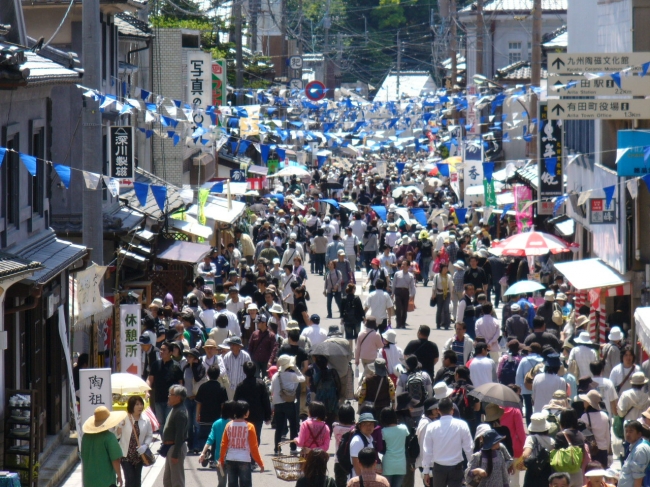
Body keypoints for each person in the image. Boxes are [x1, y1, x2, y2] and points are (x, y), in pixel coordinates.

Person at [422, 397, 474, 487]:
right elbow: (468, 448)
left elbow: (427, 451)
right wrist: (471, 466)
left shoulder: (431, 427)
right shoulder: (462, 425)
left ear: (438, 410)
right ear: (452, 410)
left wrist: (426, 471)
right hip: (456, 468)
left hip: (439, 468)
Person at [218, 400, 265, 487]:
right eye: (248, 410)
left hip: (230, 459)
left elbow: (223, 444)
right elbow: (253, 448)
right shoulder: (249, 426)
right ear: (245, 412)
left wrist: (221, 460)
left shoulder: (229, 425)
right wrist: (260, 463)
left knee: (232, 484)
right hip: (244, 460)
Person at [81, 406, 127, 487]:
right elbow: (115, 459)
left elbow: (83, 456)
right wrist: (119, 476)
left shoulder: (85, 437)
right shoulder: (109, 437)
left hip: (88, 481)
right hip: (106, 481)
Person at [234, 361, 272, 451]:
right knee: (256, 435)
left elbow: (235, 402)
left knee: (245, 436)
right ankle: (253, 457)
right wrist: (268, 416)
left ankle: (247, 456)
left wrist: (234, 415)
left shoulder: (240, 385)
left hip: (244, 416)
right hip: (258, 415)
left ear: (244, 371)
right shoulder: (261, 384)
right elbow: (265, 400)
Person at [271, 355, 305, 455]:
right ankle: (293, 448)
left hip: (277, 404)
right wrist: (296, 368)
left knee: (279, 428)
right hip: (289, 403)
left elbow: (272, 390)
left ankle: (277, 449)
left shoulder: (275, 375)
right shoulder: (292, 375)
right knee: (293, 426)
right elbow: (302, 378)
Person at [117, 396, 153, 487]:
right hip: (126, 455)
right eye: (137, 404)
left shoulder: (146, 419)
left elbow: (149, 435)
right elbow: (116, 435)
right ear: (132, 406)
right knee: (130, 479)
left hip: (139, 455)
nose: (140, 406)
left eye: (141, 404)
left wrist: (145, 446)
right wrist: (119, 427)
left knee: (137, 481)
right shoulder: (124, 418)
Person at [148, 341, 184, 428]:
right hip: (158, 399)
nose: (161, 352)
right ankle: (164, 441)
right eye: (161, 350)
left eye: (164, 350)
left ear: (170, 352)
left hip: (171, 400)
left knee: (169, 423)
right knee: (160, 423)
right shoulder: (156, 364)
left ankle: (169, 441)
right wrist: (147, 391)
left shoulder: (176, 366)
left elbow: (181, 383)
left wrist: (179, 398)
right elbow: (150, 379)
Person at [196, 365, 229, 448]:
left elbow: (199, 403)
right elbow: (223, 405)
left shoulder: (203, 387)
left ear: (207, 374)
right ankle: (213, 456)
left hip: (204, 417)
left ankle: (205, 452)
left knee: (204, 437)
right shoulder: (221, 388)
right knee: (216, 437)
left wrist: (197, 415)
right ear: (218, 375)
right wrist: (224, 417)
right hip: (217, 418)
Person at [163, 385, 189, 487]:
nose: (168, 396)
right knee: (168, 481)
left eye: (171, 394)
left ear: (178, 397)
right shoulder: (175, 409)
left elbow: (180, 435)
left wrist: (175, 454)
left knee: (177, 481)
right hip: (170, 447)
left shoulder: (180, 412)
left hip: (175, 447)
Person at [199, 401, 234, 476]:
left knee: (221, 481)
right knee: (233, 482)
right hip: (234, 458)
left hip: (219, 458)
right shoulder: (235, 424)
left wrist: (203, 452)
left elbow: (210, 439)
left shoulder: (216, 423)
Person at [521, 414, 555, 487]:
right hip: (547, 471)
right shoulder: (551, 440)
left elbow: (526, 454)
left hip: (533, 471)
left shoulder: (531, 438)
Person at [579, 389, 610, 467]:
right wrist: (609, 450)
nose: (583, 402)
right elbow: (607, 435)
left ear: (589, 403)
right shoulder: (604, 415)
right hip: (603, 450)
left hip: (591, 450)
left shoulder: (584, 417)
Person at [379, 407, 410, 487]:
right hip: (401, 465)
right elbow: (406, 445)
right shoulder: (404, 428)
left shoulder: (383, 432)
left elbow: (382, 449)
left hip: (388, 465)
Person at [618, 421, 650, 487]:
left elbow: (638, 477)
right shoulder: (635, 446)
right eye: (626, 431)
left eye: (631, 431)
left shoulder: (640, 449)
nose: (627, 434)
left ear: (639, 434)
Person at [332, 404, 356, 487]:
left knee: (340, 484)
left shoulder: (335, 428)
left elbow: (335, 423)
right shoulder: (354, 429)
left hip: (339, 460)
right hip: (352, 460)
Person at [392, 260, 416, 329]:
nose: (402, 265)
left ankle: (403, 324)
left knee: (404, 309)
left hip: (405, 292)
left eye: (404, 264)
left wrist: (412, 295)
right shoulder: (397, 273)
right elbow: (394, 284)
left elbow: (412, 286)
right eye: (402, 264)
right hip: (398, 291)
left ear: (408, 266)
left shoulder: (411, 275)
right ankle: (398, 323)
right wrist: (392, 293)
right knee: (398, 308)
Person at [341, 283, 365, 347]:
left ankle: (350, 352)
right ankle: (357, 351)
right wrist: (363, 317)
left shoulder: (344, 299)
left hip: (347, 320)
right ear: (353, 290)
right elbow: (361, 309)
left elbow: (341, 310)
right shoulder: (357, 298)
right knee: (357, 336)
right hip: (357, 320)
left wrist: (342, 319)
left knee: (349, 337)